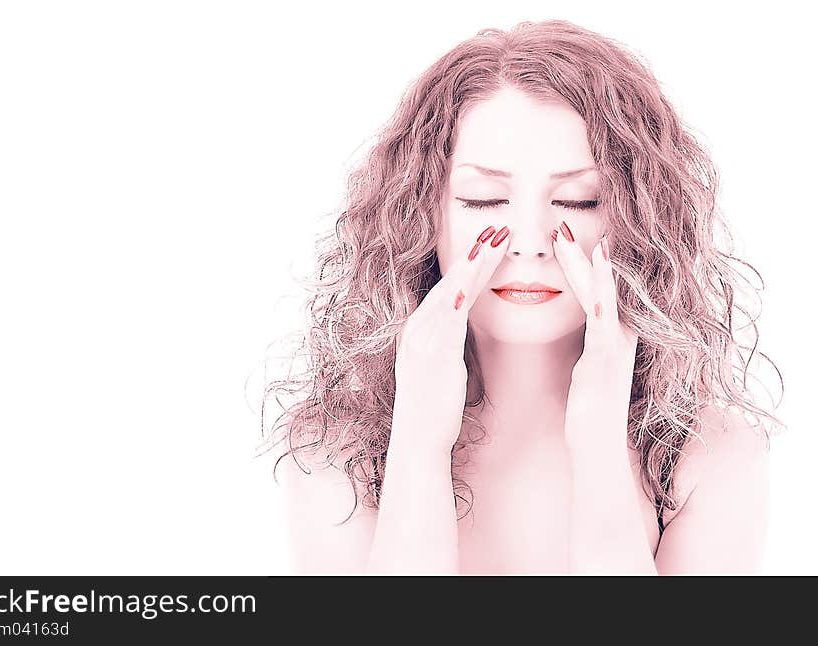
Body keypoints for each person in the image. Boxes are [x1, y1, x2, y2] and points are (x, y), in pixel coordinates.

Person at [257, 19, 785, 574]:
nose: (531, 243)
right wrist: (416, 445)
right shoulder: (334, 457)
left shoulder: (712, 457)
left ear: (640, 219)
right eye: (484, 200)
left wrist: (601, 451)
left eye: (579, 201)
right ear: (419, 217)